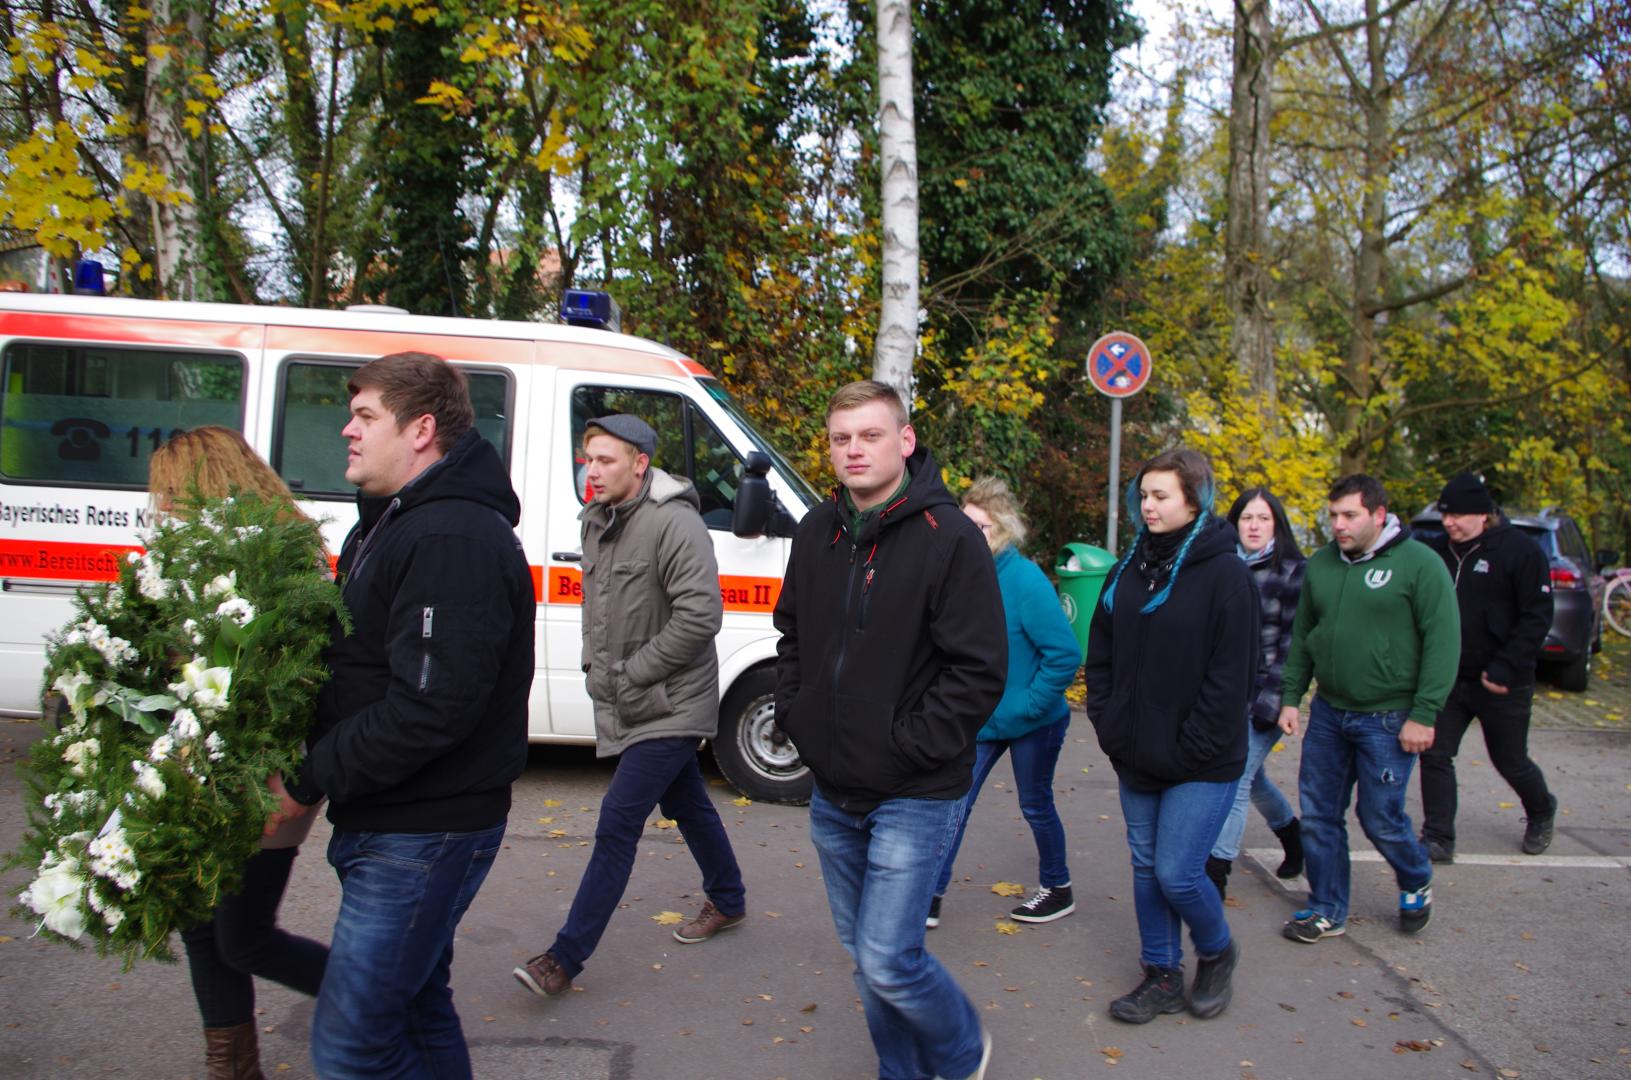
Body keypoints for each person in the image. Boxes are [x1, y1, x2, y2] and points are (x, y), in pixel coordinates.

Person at [276, 352, 534, 1078]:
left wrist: (305, 778)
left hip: (421, 830)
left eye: (364, 417)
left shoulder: (450, 536)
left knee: (353, 1045)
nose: (346, 431)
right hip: (395, 821)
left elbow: (429, 706)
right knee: (418, 1008)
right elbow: (361, 668)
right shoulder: (389, 524)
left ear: (421, 430)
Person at [773, 379, 1006, 1080]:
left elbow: (978, 671)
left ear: (903, 441)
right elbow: (791, 636)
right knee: (866, 958)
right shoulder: (817, 529)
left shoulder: (950, 538)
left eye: (870, 435)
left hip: (914, 788)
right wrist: (798, 716)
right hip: (832, 788)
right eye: (841, 438)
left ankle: (962, 1050)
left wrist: (907, 744)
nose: (853, 450)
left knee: (887, 959)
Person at [513, 414, 745, 998]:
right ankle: (730, 896)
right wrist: (597, 667)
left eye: (606, 460)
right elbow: (601, 606)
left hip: (672, 700)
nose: (592, 471)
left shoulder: (674, 523)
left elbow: (701, 616)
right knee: (688, 801)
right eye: (587, 460)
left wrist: (631, 674)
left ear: (640, 463)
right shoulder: (597, 519)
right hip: (633, 696)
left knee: (617, 822)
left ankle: (564, 958)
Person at [152, 427, 331, 1080]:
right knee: (203, 926)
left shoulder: (279, 556)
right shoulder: (191, 558)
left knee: (245, 935)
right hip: (202, 768)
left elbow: (299, 679)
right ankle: (231, 1067)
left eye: (168, 494)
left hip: (267, 775)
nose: (160, 508)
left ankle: (386, 1000)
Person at [1084, 448, 1258, 1025]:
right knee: (1144, 864)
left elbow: (1232, 678)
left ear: (1195, 500)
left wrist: (1190, 747)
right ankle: (1160, 973)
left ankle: (1217, 949)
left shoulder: (1227, 575)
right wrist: (1108, 721)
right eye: (1143, 495)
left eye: (1161, 496)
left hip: (1200, 760)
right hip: (1135, 751)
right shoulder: (1128, 567)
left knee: (1177, 871)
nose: (1147, 506)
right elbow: (1102, 654)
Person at [1278, 474, 1458, 944]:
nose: (1338, 524)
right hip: (1331, 713)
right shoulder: (1321, 565)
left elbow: (1444, 642)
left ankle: (1415, 874)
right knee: (1318, 815)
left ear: (1378, 515)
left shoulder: (1420, 564)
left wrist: (1425, 713)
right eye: (1333, 515)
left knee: (1379, 817)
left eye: (1349, 515)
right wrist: (1291, 697)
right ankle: (1326, 908)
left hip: (1390, 717)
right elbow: (1304, 636)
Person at [927, 477, 1081, 929]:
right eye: (967, 524)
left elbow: (1065, 654)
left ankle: (1058, 887)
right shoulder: (958, 574)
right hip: (981, 719)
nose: (974, 535)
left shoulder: (1025, 579)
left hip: (1034, 720)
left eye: (984, 528)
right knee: (954, 802)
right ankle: (930, 896)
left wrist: (1029, 707)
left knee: (1035, 804)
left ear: (1005, 531)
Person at [1418, 472, 1558, 861]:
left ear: (1483, 514)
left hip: (1500, 680)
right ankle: (1438, 837)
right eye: (1445, 514)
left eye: (1458, 515)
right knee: (1434, 752)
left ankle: (1542, 809)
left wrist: (1506, 667)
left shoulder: (1520, 552)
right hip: (1449, 677)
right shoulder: (1437, 553)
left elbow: (1536, 617)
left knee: (1509, 760)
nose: (1449, 523)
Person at [1205, 487, 1307, 899]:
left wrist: (1282, 700)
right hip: (1225, 693)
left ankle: (1216, 872)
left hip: (1266, 695)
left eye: (1263, 518)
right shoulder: (1222, 567)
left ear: (1277, 525)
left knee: (1237, 777)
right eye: (1247, 517)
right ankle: (1292, 834)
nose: (1254, 526)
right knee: (1255, 776)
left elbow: (1293, 642)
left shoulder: (1294, 571)